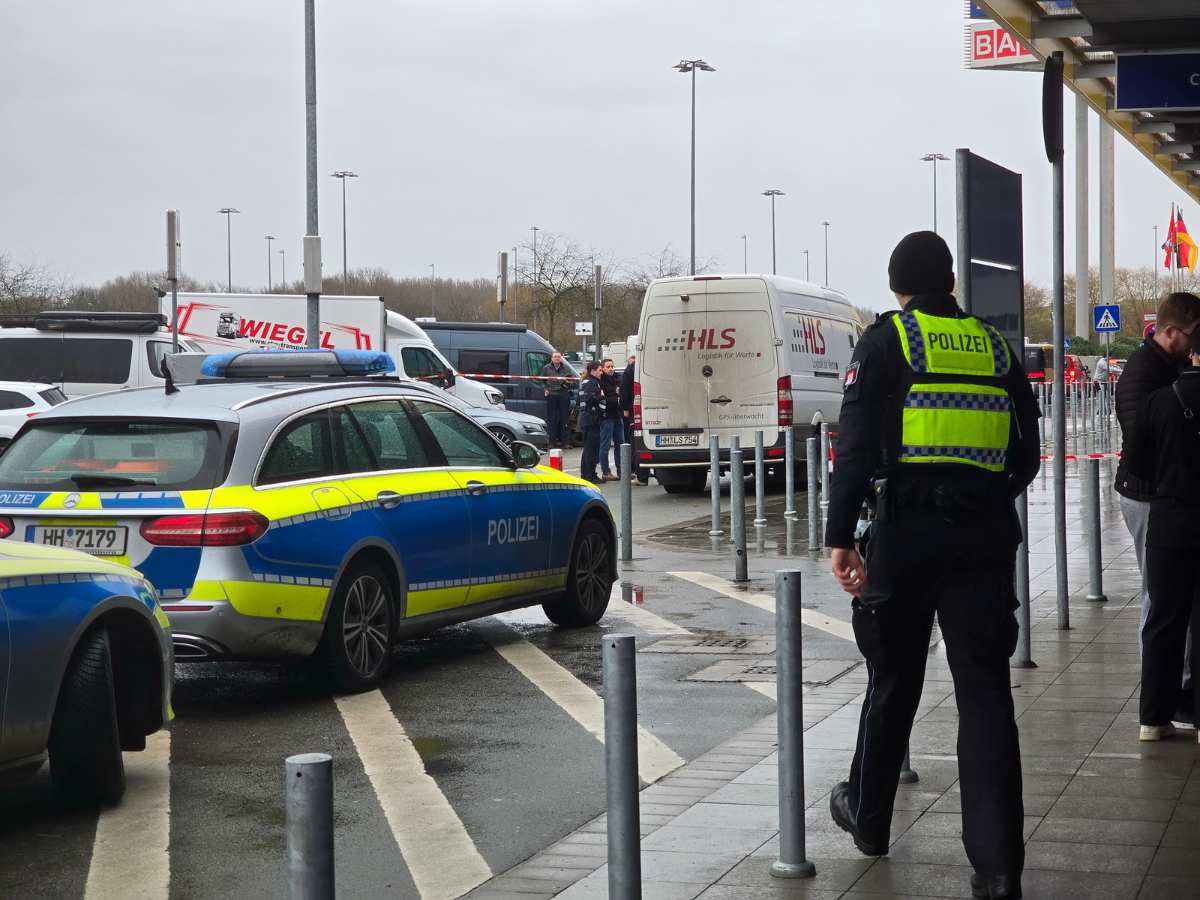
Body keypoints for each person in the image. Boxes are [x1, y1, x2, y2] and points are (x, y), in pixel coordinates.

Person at [824, 231, 1039, 900]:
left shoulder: (889, 340)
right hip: (983, 538)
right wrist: (979, 496)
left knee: (893, 678)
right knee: (984, 695)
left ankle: (868, 816)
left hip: (904, 533)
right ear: (951, 282)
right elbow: (1026, 452)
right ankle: (999, 869)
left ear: (898, 286)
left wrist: (840, 537)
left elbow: (855, 447)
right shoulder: (995, 345)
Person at [1114, 292, 1200, 720]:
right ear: (1170, 332)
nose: (1194, 343)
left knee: (1170, 600)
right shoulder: (1141, 374)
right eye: (1191, 335)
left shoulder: (1172, 366)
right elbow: (1141, 447)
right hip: (1149, 497)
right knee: (1160, 600)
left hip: (1167, 497)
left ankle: (1176, 689)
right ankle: (1164, 694)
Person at [620, 354, 646, 485]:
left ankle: (641, 475)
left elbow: (624, 391)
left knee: (636, 441)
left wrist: (625, 407)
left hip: (635, 410)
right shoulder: (649, 362)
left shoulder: (630, 370)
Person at [577, 361, 604, 483]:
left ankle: (587, 474)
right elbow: (590, 399)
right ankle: (590, 475)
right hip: (590, 419)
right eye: (599, 370)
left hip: (589, 419)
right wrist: (602, 396)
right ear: (593, 370)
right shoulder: (591, 383)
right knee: (591, 449)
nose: (601, 372)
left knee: (589, 449)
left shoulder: (590, 381)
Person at [540, 351, 572, 449]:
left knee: (564, 419)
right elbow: (541, 380)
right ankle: (551, 442)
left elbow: (571, 380)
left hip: (563, 395)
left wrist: (567, 384)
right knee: (552, 420)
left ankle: (565, 442)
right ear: (552, 359)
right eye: (555, 357)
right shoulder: (546, 368)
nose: (557, 358)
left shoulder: (566, 368)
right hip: (552, 395)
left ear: (561, 358)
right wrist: (545, 389)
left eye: (559, 357)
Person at [597, 358, 622, 481]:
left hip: (617, 415)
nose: (611, 369)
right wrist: (615, 398)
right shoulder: (601, 381)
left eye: (612, 366)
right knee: (605, 445)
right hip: (607, 417)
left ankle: (622, 470)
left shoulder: (617, 379)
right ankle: (606, 472)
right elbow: (603, 399)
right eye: (608, 367)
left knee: (621, 444)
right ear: (603, 368)